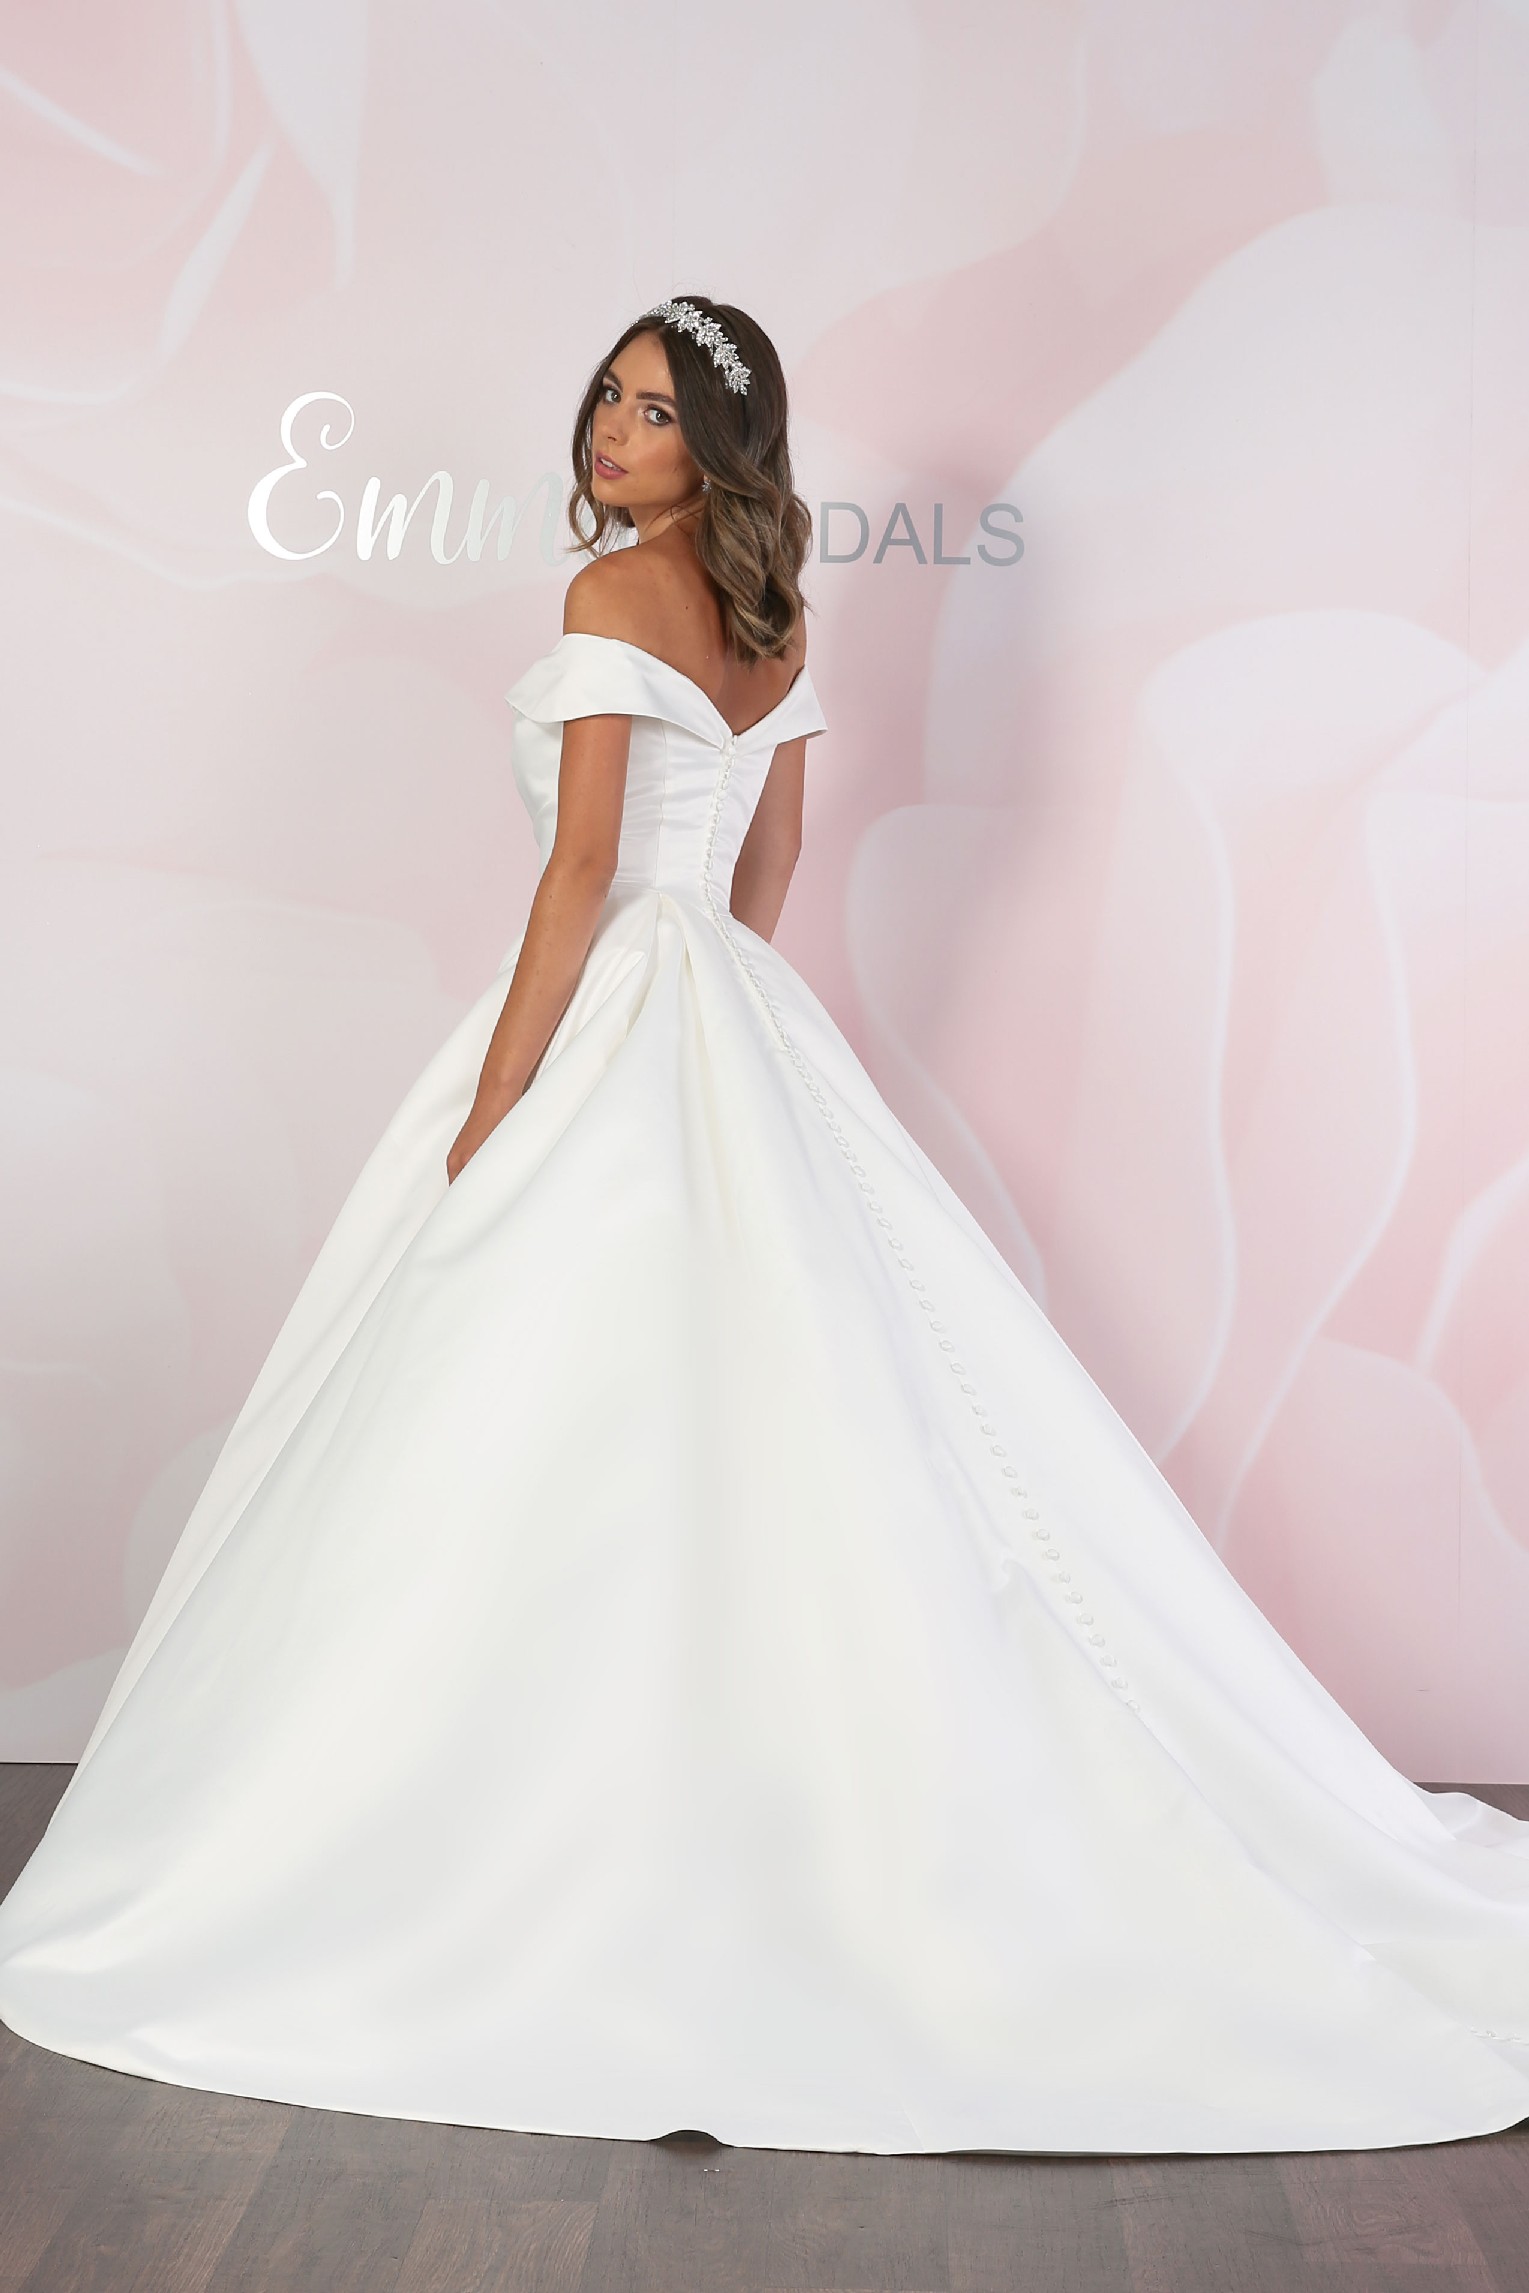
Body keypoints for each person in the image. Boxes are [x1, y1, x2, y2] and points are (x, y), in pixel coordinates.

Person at [0, 297, 1524, 2159]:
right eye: (608, 395)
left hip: (601, 1002)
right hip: (725, 994)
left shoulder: (609, 594)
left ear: (715, 447)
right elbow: (769, 860)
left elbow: (580, 869)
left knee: (538, 1412)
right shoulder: (775, 613)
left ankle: (530, 1819)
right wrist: (717, 1013)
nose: (610, 429)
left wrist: (502, 1093)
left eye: (652, 412)